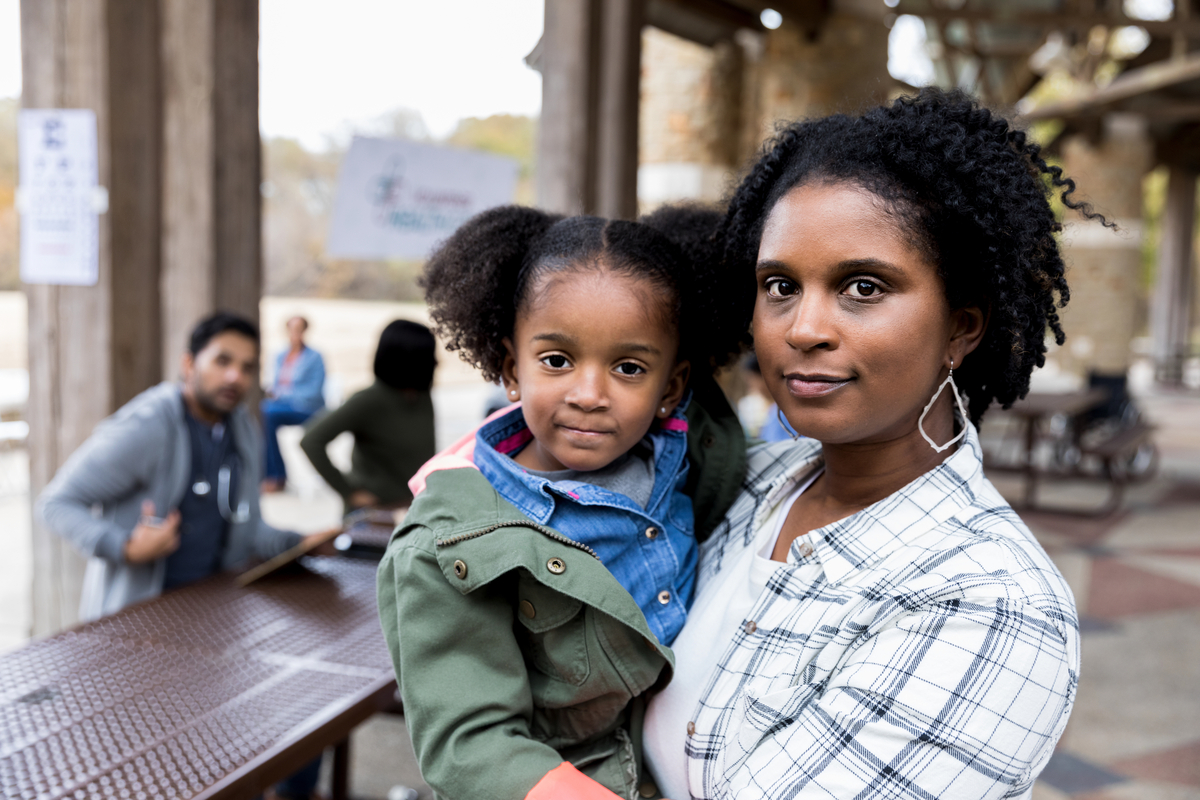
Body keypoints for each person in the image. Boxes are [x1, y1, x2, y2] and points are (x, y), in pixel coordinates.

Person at [642, 88, 1090, 800]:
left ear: (962, 328)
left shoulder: (988, 605)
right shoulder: (750, 482)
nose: (803, 328)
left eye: (862, 286)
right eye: (780, 285)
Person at [376, 207, 748, 800]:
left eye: (629, 368)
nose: (589, 395)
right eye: (557, 360)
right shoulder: (448, 548)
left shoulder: (687, 452)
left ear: (671, 389)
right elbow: (471, 743)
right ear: (510, 370)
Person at [36, 311, 336, 800]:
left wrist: (297, 543)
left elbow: (245, 524)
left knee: (303, 714)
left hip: (213, 621)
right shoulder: (149, 426)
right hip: (135, 638)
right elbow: (55, 503)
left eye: (247, 365)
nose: (235, 376)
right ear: (187, 364)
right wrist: (124, 546)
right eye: (222, 361)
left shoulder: (238, 426)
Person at [300, 319, 438, 512]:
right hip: (375, 515)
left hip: (412, 509)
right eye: (429, 356)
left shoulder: (421, 397)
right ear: (410, 359)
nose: (436, 362)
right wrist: (348, 492)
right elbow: (311, 440)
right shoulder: (369, 400)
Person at [261, 315, 326, 493]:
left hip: (306, 408)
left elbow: (314, 391)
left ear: (305, 330)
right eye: (291, 328)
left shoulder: (315, 357)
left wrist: (282, 394)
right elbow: (275, 384)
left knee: (266, 413)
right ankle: (272, 473)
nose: (295, 333)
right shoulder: (281, 356)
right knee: (261, 413)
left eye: (299, 329)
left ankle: (275, 476)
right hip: (282, 406)